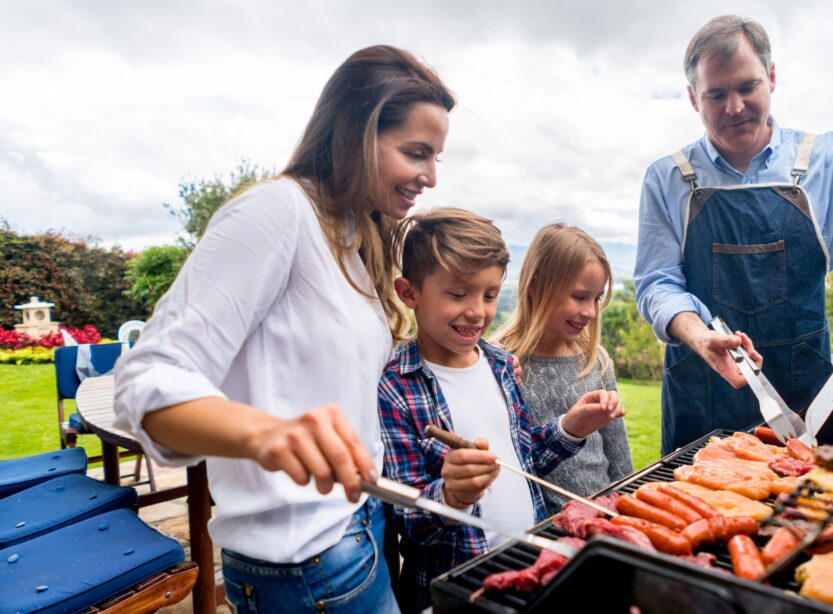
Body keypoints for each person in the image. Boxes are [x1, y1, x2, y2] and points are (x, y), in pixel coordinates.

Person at [113, 45, 455, 613]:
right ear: (355, 133)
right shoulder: (275, 212)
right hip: (304, 569)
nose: (431, 176)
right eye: (416, 152)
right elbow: (145, 381)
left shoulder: (351, 234)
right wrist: (266, 433)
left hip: (357, 532)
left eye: (437, 157)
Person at [633, 16, 833, 453]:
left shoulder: (828, 157)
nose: (734, 107)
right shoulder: (667, 177)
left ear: (771, 77)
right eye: (716, 94)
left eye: (747, 87)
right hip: (699, 390)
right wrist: (696, 333)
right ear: (693, 98)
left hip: (807, 393)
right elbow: (657, 283)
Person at [378, 208, 624, 612]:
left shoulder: (499, 365)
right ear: (409, 293)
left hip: (526, 561)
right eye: (458, 294)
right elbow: (409, 520)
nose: (478, 310)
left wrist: (571, 427)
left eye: (490, 295)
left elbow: (524, 460)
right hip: (463, 584)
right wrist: (453, 495)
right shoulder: (396, 387)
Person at [494, 222, 633, 516]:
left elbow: (618, 456)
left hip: (603, 517)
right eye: (580, 297)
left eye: (596, 298)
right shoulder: (501, 363)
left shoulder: (596, 361)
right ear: (536, 286)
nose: (591, 312)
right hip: (542, 528)